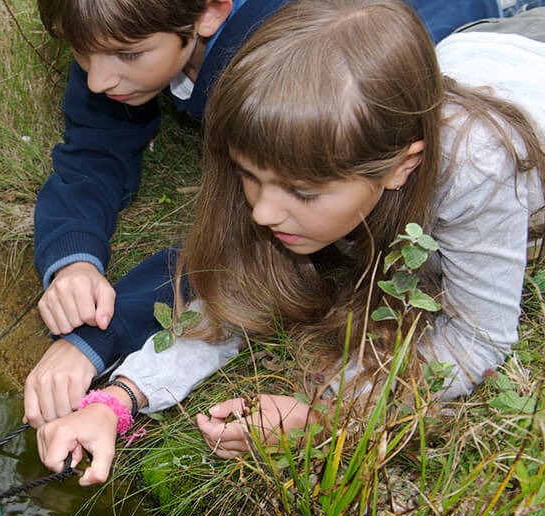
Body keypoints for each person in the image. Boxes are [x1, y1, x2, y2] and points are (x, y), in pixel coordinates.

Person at [34, 0, 545, 485]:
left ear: (401, 167)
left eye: (302, 193)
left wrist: (327, 413)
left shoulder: (475, 170)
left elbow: (475, 338)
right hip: (499, 43)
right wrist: (117, 400)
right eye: (250, 176)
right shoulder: (315, 149)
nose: (263, 211)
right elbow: (241, 294)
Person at [25, 0, 512, 428]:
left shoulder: (287, 76)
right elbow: (232, 261)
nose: (96, 79)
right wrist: (74, 261)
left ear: (212, 12)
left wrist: (327, 412)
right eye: (81, 51)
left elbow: (232, 257)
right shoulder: (133, 33)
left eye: (128, 54)